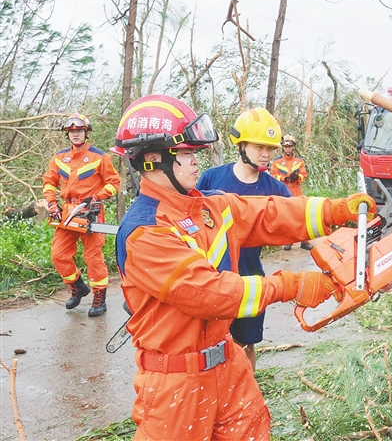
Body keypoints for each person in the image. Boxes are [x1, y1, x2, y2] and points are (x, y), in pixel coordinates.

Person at [111, 94, 375, 440]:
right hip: (175, 384)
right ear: (152, 160)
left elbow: (268, 212)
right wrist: (291, 286)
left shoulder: (206, 208)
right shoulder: (145, 233)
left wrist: (334, 210)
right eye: (187, 154)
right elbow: (211, 293)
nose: (195, 163)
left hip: (228, 364)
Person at [197, 107, 291, 370]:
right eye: (259, 147)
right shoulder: (211, 179)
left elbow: (302, 219)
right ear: (240, 145)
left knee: (245, 342)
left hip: (250, 279)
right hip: (213, 278)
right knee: (212, 342)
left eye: (270, 149)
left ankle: (247, 390)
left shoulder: (275, 189)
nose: (266, 154)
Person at [43, 113, 120, 317]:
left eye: (79, 131)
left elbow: (114, 183)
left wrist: (96, 197)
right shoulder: (59, 158)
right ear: (67, 134)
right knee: (59, 254)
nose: (75, 135)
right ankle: (78, 286)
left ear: (86, 133)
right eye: (72, 132)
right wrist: (52, 204)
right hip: (68, 211)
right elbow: (49, 183)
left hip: (91, 211)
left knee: (93, 256)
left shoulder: (100, 157)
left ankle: (99, 297)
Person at [270, 134, 311, 250]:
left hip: (297, 190)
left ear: (293, 147)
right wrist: (284, 179)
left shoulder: (299, 161)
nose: (288, 148)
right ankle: (289, 241)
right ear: (282, 147)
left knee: (301, 215)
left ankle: (304, 241)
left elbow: (304, 175)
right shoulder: (277, 162)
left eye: (290, 146)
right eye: (285, 146)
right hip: (284, 191)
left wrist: (297, 177)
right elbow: (273, 175)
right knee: (287, 217)